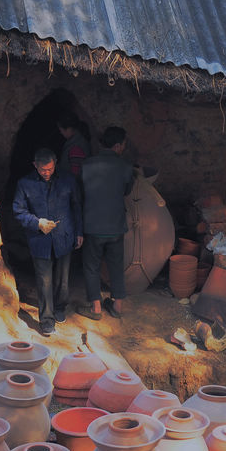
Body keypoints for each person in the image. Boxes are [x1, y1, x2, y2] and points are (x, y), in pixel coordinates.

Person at [12, 148, 83, 337]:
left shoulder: (67, 180)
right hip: (39, 240)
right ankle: (47, 320)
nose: (47, 173)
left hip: (64, 237)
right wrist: (37, 223)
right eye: (43, 170)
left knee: (63, 279)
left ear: (55, 163)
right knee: (44, 280)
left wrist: (79, 232)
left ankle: (60, 307)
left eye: (50, 169)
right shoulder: (24, 183)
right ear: (35, 165)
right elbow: (18, 211)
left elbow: (76, 206)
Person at [78, 126, 135, 320]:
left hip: (93, 225)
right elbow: (126, 191)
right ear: (118, 146)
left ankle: (95, 308)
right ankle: (117, 306)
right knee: (116, 265)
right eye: (124, 145)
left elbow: (82, 192)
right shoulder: (126, 167)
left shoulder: (87, 165)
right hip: (116, 226)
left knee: (92, 266)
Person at [56, 110, 89, 179]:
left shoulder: (76, 147)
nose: (61, 133)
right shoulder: (74, 142)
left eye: (61, 130)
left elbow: (76, 175)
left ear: (68, 129)